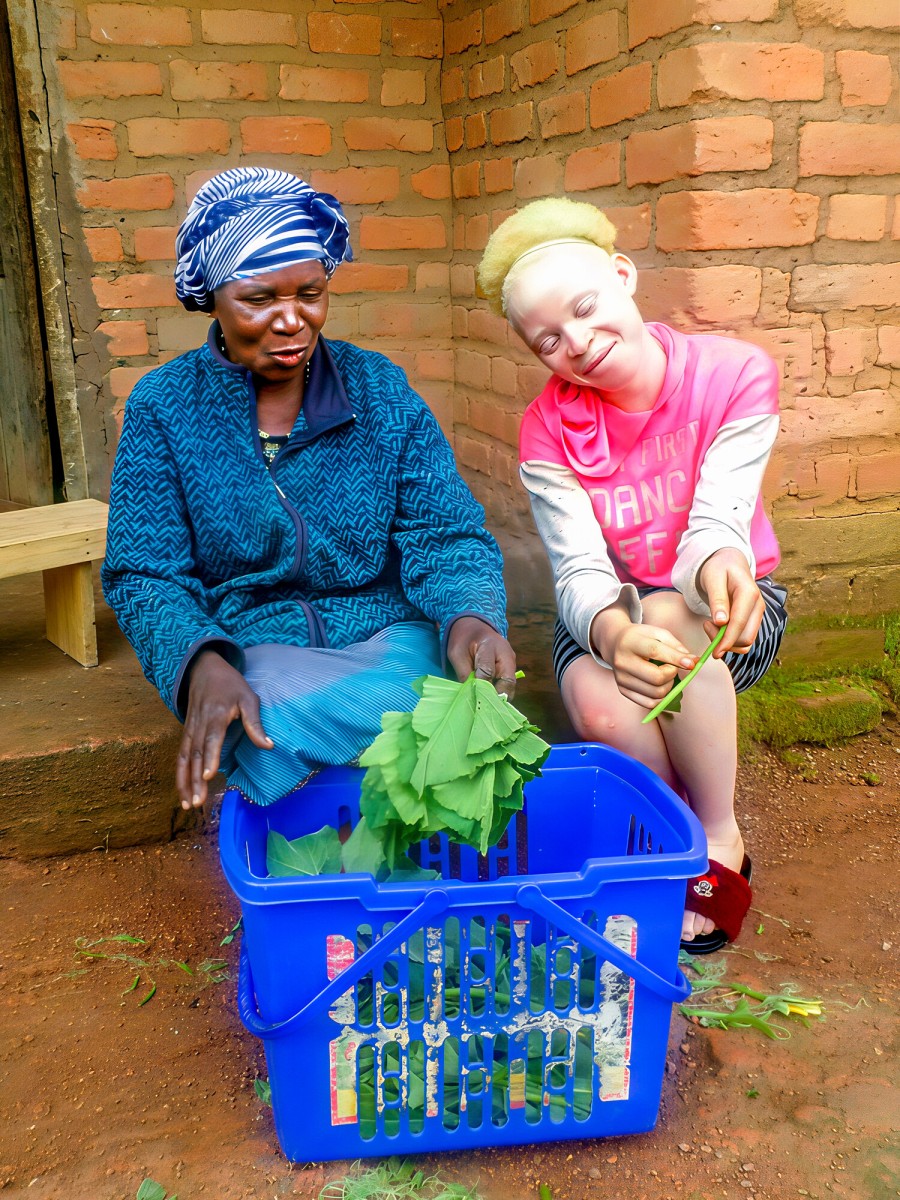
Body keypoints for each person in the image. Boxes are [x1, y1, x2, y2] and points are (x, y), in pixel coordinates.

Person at [103, 167, 515, 811]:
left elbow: (446, 532)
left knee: (461, 693)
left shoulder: (377, 389)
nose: (293, 320)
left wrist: (469, 613)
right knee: (259, 704)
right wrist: (200, 659)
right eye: (259, 299)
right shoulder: (164, 407)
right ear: (213, 296)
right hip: (257, 647)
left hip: (389, 637)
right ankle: (317, 853)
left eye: (312, 293)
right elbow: (145, 573)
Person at [477, 198, 787, 953]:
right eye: (548, 339)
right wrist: (611, 635)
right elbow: (579, 565)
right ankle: (671, 822)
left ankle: (718, 837)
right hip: (607, 619)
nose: (577, 344)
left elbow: (719, 519)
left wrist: (721, 568)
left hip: (725, 609)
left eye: (585, 309)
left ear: (622, 274)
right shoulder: (546, 428)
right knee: (595, 701)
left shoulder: (733, 373)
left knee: (672, 619)